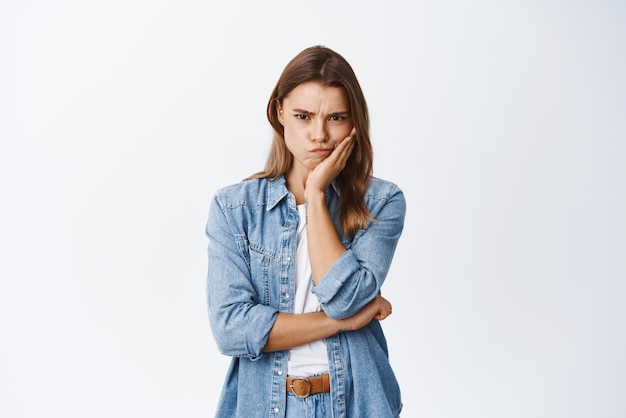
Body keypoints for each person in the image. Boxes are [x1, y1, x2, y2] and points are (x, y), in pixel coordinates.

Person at [205, 45, 406, 418]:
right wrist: (343, 322)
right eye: (303, 116)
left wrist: (315, 194)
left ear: (354, 122)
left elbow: (344, 297)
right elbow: (231, 329)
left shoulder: (381, 202)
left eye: (336, 117)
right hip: (265, 406)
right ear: (279, 112)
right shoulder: (235, 209)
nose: (320, 135)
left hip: (356, 403)